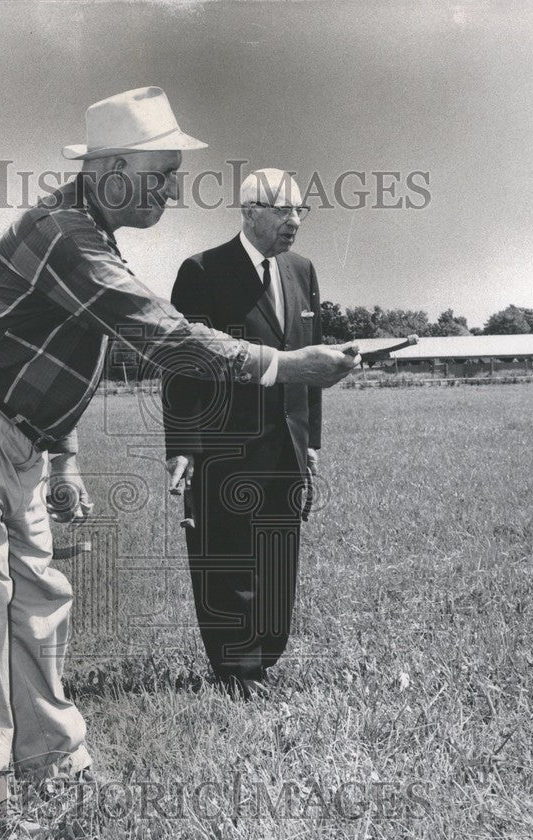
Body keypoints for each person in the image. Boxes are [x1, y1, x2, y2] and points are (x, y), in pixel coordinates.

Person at [0, 88, 359, 840]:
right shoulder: (62, 232)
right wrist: (285, 366)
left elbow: (52, 358)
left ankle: (51, 761)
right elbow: (165, 337)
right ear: (109, 170)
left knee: (36, 597)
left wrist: (65, 460)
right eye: (161, 172)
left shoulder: (92, 239)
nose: (174, 188)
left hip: (13, 434)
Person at [163, 169, 327, 700]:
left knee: (279, 555)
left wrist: (313, 441)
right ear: (250, 211)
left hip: (288, 446)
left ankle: (264, 655)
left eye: (301, 211)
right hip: (223, 448)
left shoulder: (303, 272)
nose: (295, 221)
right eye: (284, 211)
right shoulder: (203, 271)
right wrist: (183, 444)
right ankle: (236, 670)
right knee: (228, 555)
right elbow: (181, 363)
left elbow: (311, 366)